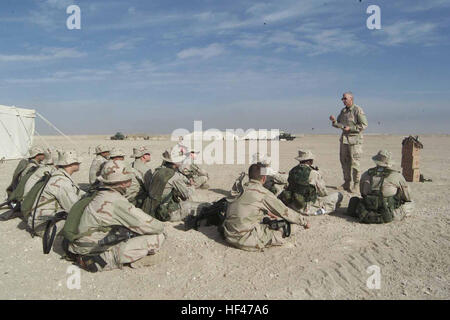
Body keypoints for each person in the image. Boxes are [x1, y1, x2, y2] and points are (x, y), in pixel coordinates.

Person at [67, 160, 166, 272]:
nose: (130, 183)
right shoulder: (116, 201)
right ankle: (109, 259)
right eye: (129, 180)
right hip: (91, 252)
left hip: (80, 245)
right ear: (123, 182)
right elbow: (151, 225)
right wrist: (161, 226)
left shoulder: (100, 192)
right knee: (158, 236)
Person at [223, 163, 310, 251]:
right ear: (264, 178)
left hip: (228, 234)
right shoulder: (263, 193)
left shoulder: (240, 188)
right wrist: (304, 222)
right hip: (244, 239)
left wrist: (268, 212)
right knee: (291, 227)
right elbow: (284, 211)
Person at [25, 150, 84, 237]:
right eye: (77, 162)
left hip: (45, 219)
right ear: (70, 163)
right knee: (88, 226)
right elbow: (73, 208)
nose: (79, 163)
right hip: (44, 224)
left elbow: (77, 192)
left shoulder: (60, 175)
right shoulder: (61, 182)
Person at [347, 150, 414, 223]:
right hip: (388, 212)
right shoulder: (396, 175)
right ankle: (393, 215)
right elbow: (407, 196)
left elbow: (362, 193)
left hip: (366, 210)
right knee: (411, 203)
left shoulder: (365, 174)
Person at [142, 150, 209, 222]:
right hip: (164, 213)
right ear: (174, 162)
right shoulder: (174, 176)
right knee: (204, 206)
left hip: (149, 208)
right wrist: (192, 186)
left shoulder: (158, 170)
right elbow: (187, 194)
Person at [279, 150, 343, 216]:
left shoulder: (292, 170)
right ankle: (324, 210)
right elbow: (323, 193)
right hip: (306, 207)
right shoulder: (313, 173)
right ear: (310, 161)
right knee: (339, 195)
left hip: (292, 203)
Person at [330, 92, 368, 193]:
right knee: (344, 162)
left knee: (355, 163)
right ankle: (347, 183)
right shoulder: (343, 111)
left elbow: (364, 125)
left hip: (354, 141)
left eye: (345, 98)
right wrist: (334, 122)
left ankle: (356, 184)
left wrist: (350, 128)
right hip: (344, 141)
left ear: (351, 99)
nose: (343, 100)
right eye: (342, 99)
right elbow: (339, 124)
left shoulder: (357, 110)